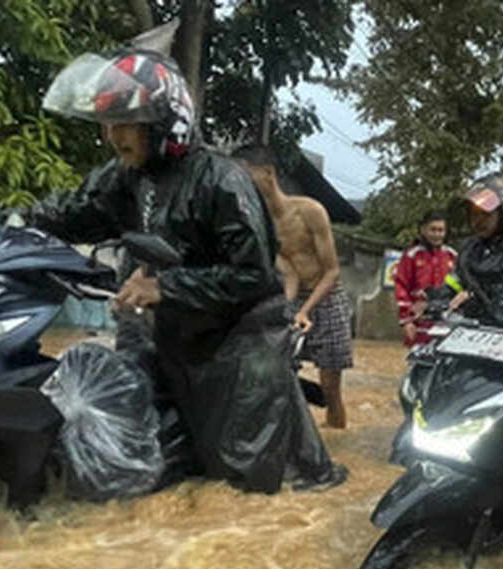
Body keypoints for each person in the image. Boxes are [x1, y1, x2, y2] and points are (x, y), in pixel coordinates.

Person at [32, 49, 346, 492]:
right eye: (107, 124)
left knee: (244, 484)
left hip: (239, 346)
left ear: (163, 122)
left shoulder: (222, 181)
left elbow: (253, 277)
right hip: (173, 336)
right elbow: (76, 212)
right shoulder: (128, 176)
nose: (110, 137)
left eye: (123, 124)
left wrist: (165, 287)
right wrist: (15, 220)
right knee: (137, 457)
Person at [233, 145, 353, 429]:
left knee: (330, 387)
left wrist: (306, 310)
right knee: (276, 375)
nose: (240, 184)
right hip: (295, 299)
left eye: (246, 176)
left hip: (328, 298)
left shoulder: (310, 211)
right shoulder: (260, 224)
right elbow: (289, 275)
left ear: (268, 173)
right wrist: (287, 310)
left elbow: (332, 270)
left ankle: (337, 438)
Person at [445, 173, 503, 321]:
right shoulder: (468, 250)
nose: (477, 221)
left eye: (485, 214)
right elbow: (453, 285)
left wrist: (477, 296)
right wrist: (434, 298)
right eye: (473, 214)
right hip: (471, 330)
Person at [394, 210, 456, 347]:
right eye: (433, 230)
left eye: (441, 230)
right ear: (423, 230)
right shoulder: (412, 256)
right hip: (420, 322)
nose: (437, 234)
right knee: (419, 362)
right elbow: (401, 287)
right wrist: (407, 321)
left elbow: (460, 287)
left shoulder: (452, 256)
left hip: (447, 321)